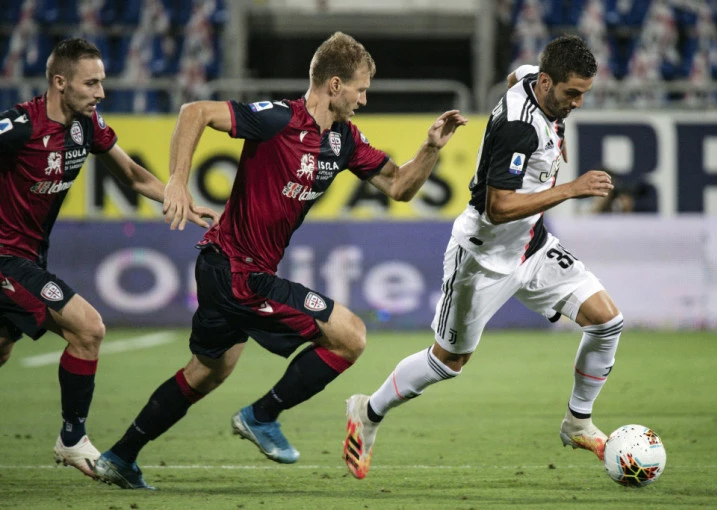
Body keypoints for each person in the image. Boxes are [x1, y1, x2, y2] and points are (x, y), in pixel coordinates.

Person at [93, 31, 468, 489]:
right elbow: (195, 112)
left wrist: (430, 148)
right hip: (237, 270)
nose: (364, 99)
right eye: (360, 89)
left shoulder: (344, 140)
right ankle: (262, 415)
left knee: (206, 372)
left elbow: (399, 186)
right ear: (334, 85)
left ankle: (120, 456)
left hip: (228, 268)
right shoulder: (277, 119)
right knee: (350, 336)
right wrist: (176, 181)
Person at [343, 35, 622, 480]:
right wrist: (571, 187)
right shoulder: (518, 130)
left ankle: (577, 422)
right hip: (483, 258)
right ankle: (368, 411)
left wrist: (556, 142)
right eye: (572, 93)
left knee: (607, 321)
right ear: (547, 83)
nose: (578, 103)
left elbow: (515, 76)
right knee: (447, 362)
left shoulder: (533, 80)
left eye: (583, 93)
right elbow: (498, 208)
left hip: (532, 247)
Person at [0, 38, 214, 479]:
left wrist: (179, 199)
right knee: (88, 327)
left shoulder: (87, 125)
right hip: (5, 257)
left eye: (101, 81)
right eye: (91, 83)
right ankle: (72, 438)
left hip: (31, 256)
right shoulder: (19, 127)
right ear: (60, 82)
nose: (101, 92)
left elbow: (131, 175)